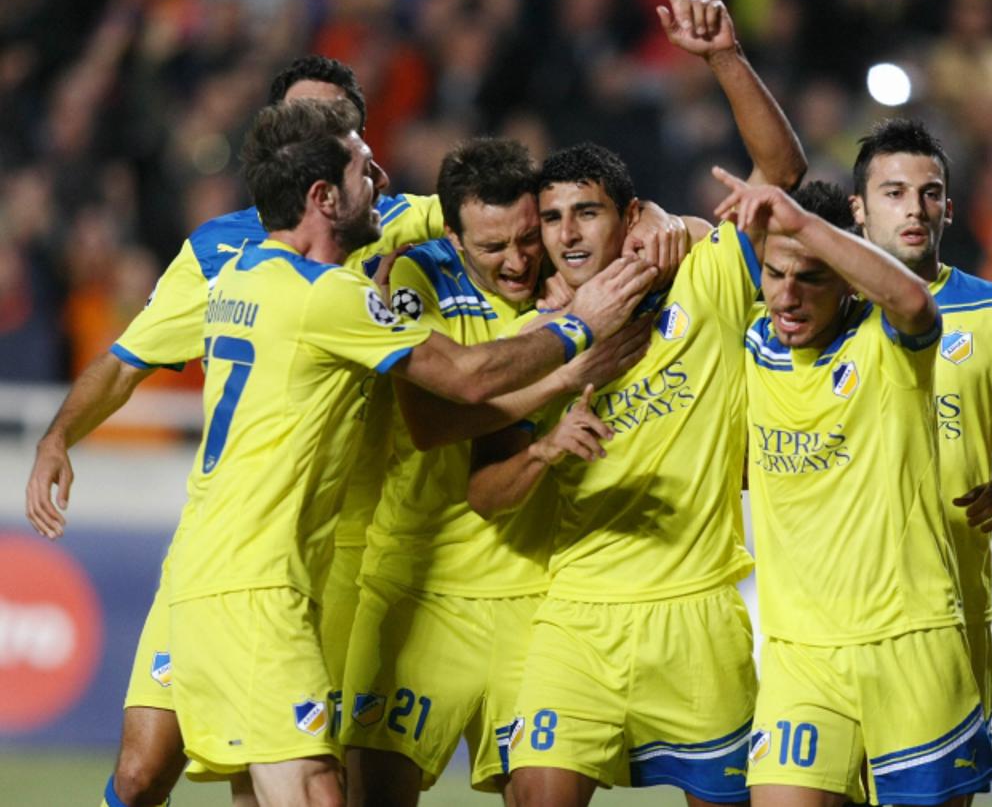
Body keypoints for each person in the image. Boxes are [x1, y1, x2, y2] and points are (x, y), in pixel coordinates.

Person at [167, 97, 654, 805]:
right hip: (261, 584)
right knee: (311, 789)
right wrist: (579, 331)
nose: (386, 182)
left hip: (227, 572)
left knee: (274, 790)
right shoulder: (335, 296)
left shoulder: (241, 275)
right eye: (365, 169)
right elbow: (462, 379)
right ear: (322, 196)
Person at [24, 54, 447, 807]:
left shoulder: (380, 218)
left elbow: (484, 208)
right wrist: (58, 436)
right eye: (304, 119)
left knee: (286, 777)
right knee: (144, 764)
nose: (322, 132)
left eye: (338, 123)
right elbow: (127, 360)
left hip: (339, 551)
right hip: (228, 550)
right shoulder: (217, 248)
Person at [469, 0, 805, 805]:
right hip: (576, 613)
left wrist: (723, 56)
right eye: (551, 218)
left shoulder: (707, 277)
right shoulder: (532, 345)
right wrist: (547, 449)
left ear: (630, 215)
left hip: (699, 612)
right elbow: (482, 488)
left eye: (586, 212)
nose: (567, 233)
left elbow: (782, 174)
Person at [339, 136, 654, 806]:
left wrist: (665, 225)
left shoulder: (570, 280)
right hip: (418, 591)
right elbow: (432, 423)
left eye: (525, 238)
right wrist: (568, 363)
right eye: (491, 248)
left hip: (536, 602)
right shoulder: (412, 281)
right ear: (452, 237)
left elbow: (645, 225)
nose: (515, 262)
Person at [714, 171, 992, 806]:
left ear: (845, 279)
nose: (786, 296)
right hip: (799, 657)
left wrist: (807, 225)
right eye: (774, 273)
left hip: (910, 646)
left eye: (810, 277)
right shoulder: (754, 342)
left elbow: (918, 303)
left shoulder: (887, 342)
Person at [849, 118, 992, 731]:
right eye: (893, 193)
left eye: (929, 193)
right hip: (827, 630)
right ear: (858, 211)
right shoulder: (816, 313)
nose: (913, 208)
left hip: (948, 612)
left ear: (949, 209)